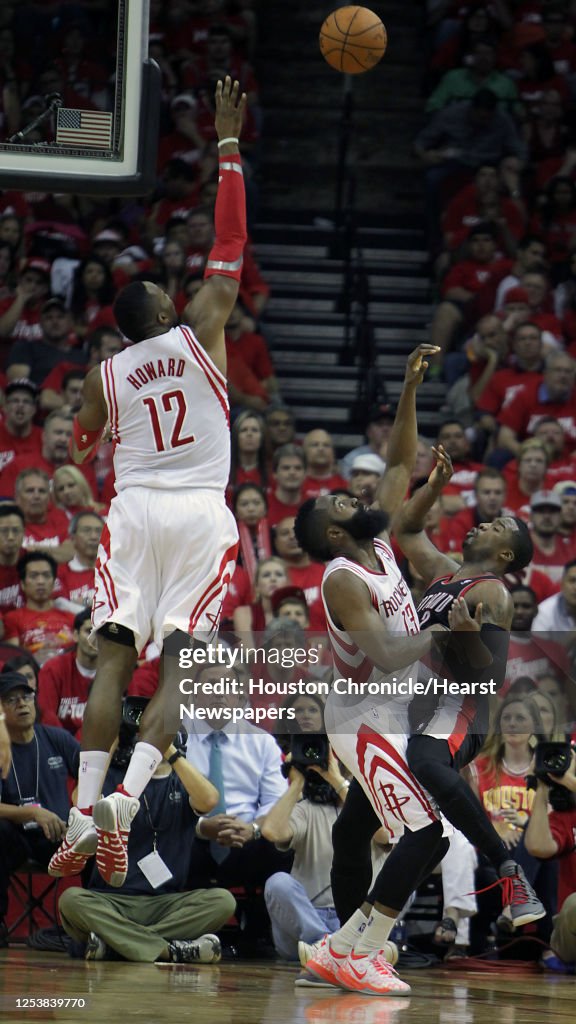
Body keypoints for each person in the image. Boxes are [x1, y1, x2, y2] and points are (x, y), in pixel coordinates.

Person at [47, 77, 247, 888]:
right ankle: (125, 804)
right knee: (175, 674)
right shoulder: (202, 328)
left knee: (108, 668)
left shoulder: (105, 373)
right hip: (199, 513)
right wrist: (228, 149)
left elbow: (84, 443)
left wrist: (83, 452)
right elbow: (230, 250)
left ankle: (79, 811)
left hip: (133, 513)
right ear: (164, 307)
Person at [294, 345, 449, 996]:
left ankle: (341, 947)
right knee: (426, 835)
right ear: (333, 535)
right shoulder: (341, 579)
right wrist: (438, 627)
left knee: (358, 830)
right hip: (363, 723)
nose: (347, 498)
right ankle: (363, 950)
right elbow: (386, 653)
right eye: (335, 503)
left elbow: (396, 462)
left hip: (392, 715)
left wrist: (408, 390)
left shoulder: (380, 543)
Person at [59, 714, 234, 964]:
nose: (149, 739)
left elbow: (209, 800)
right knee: (72, 900)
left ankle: (117, 945)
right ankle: (171, 950)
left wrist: (168, 747)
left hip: (166, 904)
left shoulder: (181, 783)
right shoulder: (117, 778)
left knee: (222, 901)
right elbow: (80, 800)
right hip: (110, 900)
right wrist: (111, 743)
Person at [0, 670, 79, 946]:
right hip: (16, 842)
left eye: (26, 696)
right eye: (11, 700)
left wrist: (80, 812)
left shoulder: (56, 738)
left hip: (58, 838)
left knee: (100, 832)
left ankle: (97, 926)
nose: (22, 704)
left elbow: (93, 776)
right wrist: (34, 812)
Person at [37, 608, 97, 738]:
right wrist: (70, 747)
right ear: (75, 635)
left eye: (100, 632)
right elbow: (47, 716)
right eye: (89, 631)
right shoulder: (53, 669)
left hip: (98, 745)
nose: (94, 638)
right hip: (59, 744)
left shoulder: (113, 672)